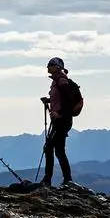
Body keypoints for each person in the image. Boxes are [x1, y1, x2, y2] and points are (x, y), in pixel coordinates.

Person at [39, 56, 74, 187]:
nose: (47, 67)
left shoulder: (61, 81)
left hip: (61, 120)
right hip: (60, 120)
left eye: (50, 65)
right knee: (57, 149)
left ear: (57, 66)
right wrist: (48, 101)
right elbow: (61, 99)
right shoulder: (57, 81)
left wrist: (59, 113)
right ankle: (66, 180)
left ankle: (50, 179)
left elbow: (67, 101)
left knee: (50, 148)